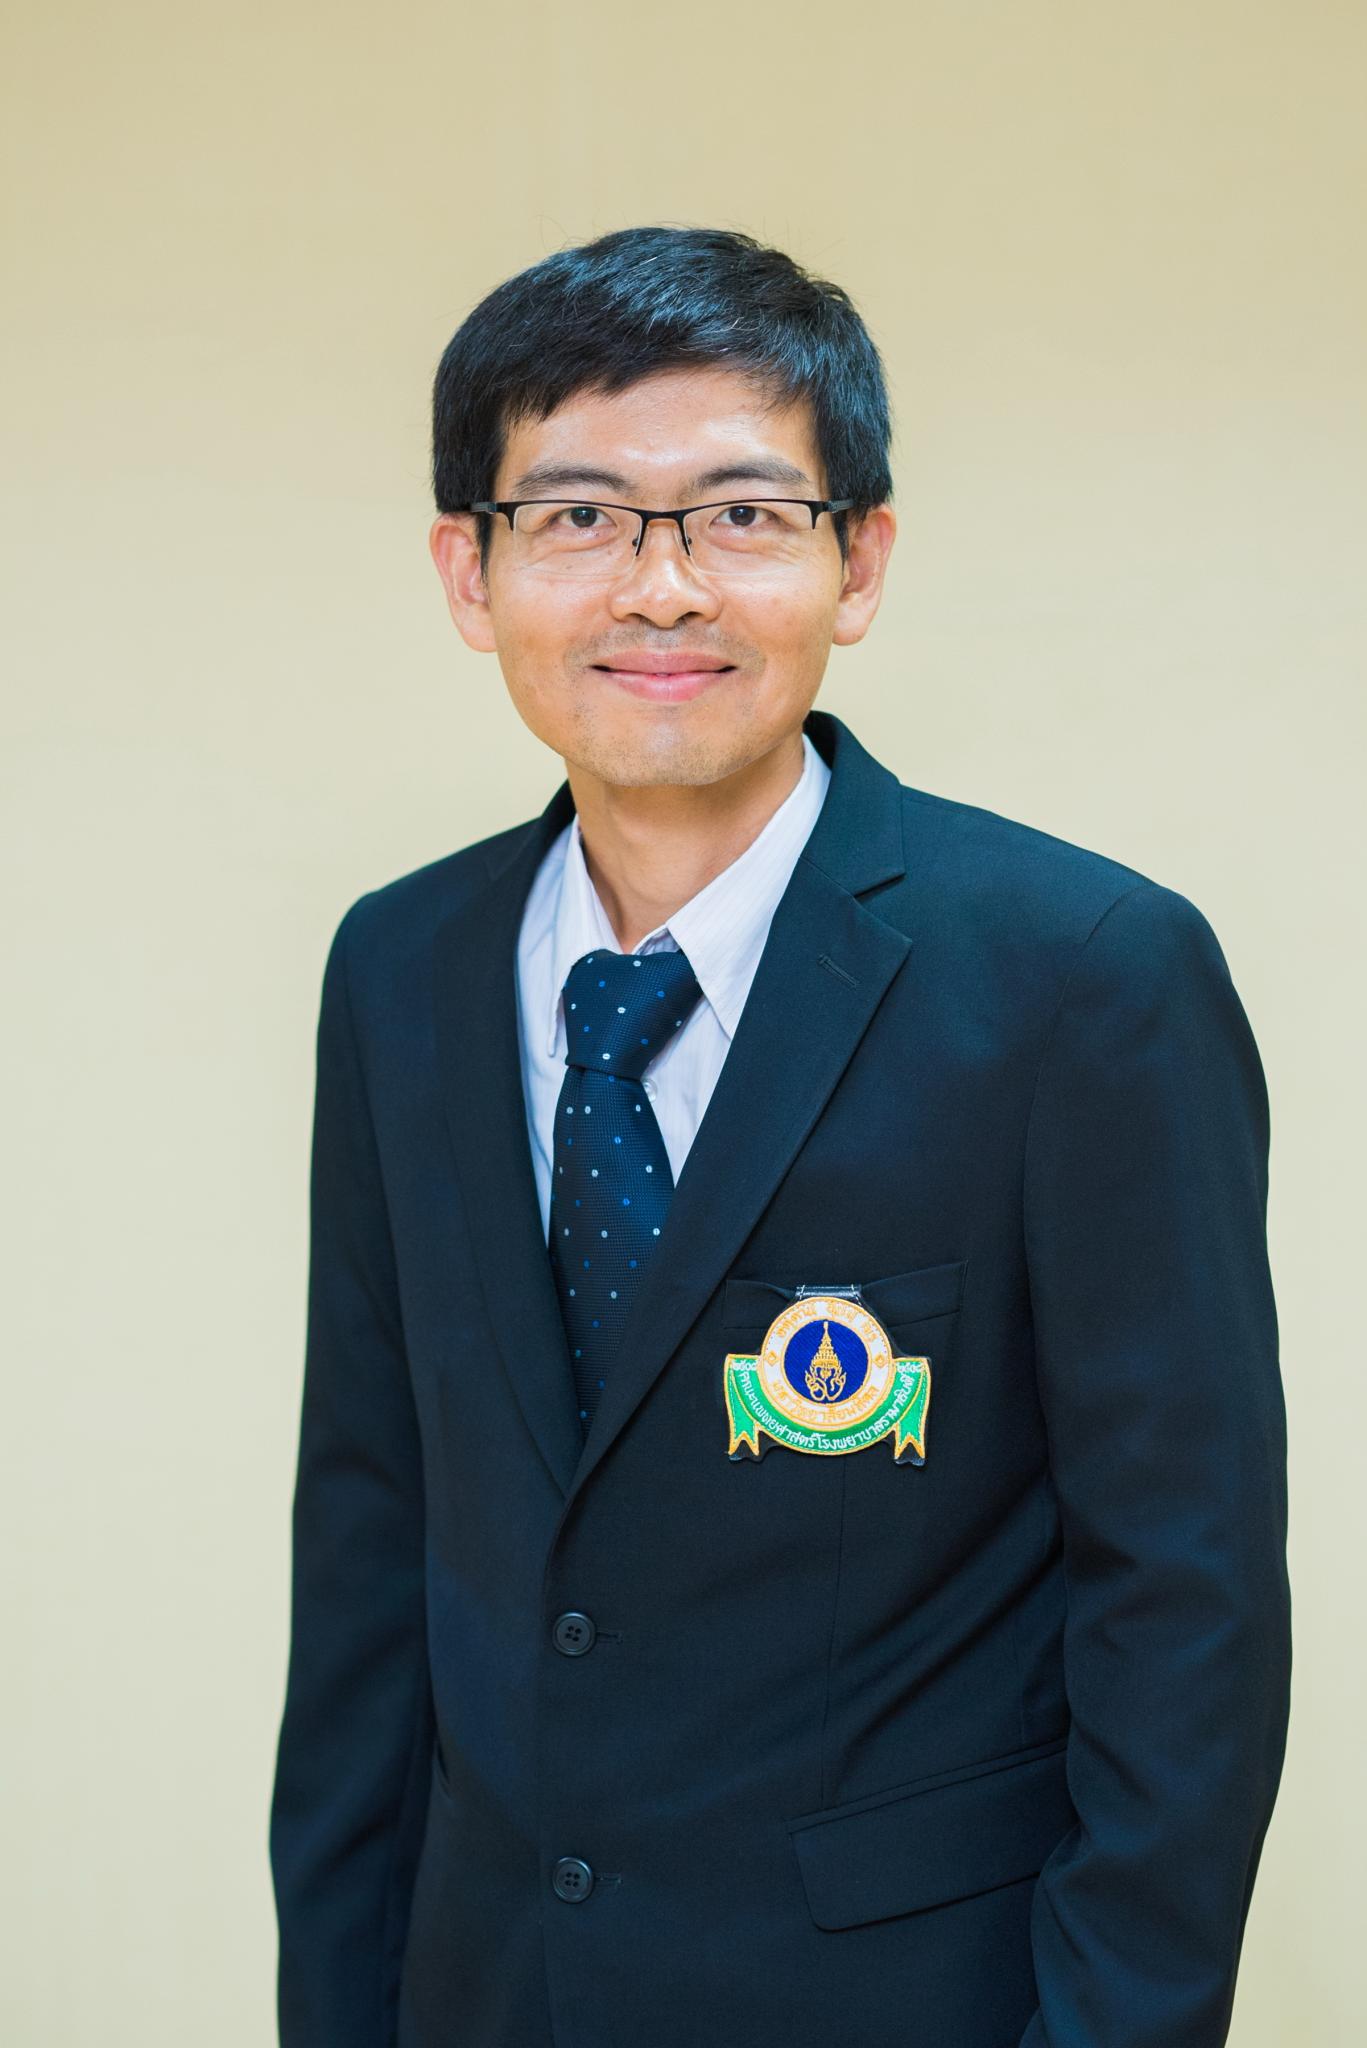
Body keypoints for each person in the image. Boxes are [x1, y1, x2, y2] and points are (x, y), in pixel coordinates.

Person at [268, 226, 1290, 2048]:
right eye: (577, 517)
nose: (660, 588)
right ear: (468, 571)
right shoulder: (402, 967)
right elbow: (370, 1549)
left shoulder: (1084, 977)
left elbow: (1183, 1608)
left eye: (742, 515)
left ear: (860, 559)